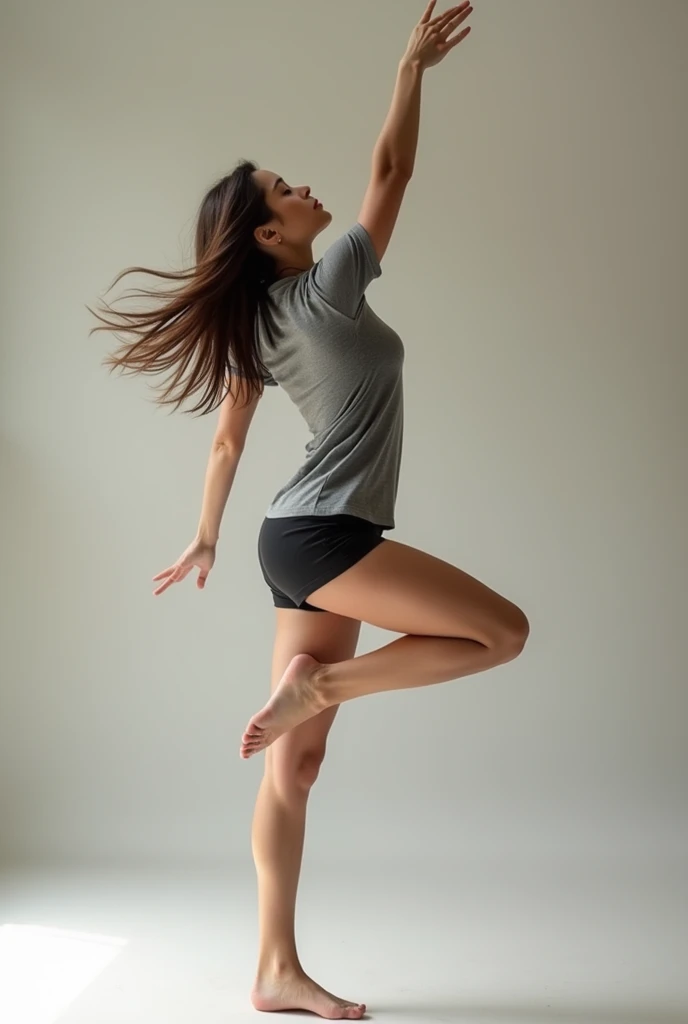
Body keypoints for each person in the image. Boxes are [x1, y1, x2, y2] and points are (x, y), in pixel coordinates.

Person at [88, 3, 528, 1018]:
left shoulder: (255, 319)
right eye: (286, 188)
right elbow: (393, 173)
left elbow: (229, 438)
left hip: (289, 540)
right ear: (269, 232)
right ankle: (323, 685)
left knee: (295, 767)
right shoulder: (330, 282)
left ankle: (274, 968)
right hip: (326, 536)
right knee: (501, 633)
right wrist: (410, 67)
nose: (305, 186)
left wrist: (205, 538)